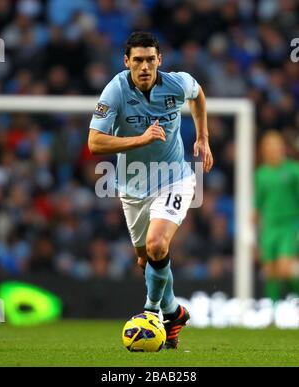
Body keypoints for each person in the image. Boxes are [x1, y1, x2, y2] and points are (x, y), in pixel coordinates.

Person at [88, 31, 213, 349]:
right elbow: (94, 142)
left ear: (160, 60)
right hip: (132, 187)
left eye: (150, 59)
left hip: (174, 179)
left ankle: (152, 312)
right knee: (146, 262)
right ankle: (175, 313)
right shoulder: (115, 90)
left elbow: (197, 95)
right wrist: (139, 139)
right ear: (126, 61)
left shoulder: (177, 83)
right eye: (138, 60)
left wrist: (203, 137)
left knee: (158, 245)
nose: (144, 66)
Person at [254, 131, 299, 302]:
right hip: (269, 226)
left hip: (289, 225)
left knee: (285, 269)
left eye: (275, 144)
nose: (271, 148)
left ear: (282, 148)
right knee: (271, 272)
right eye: (267, 145)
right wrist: (253, 237)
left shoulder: (293, 171)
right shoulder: (261, 174)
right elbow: (257, 204)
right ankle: (273, 311)